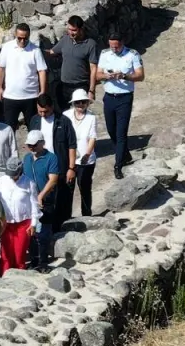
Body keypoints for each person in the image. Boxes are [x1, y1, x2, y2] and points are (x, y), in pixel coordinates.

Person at [96, 31, 145, 180]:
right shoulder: (105, 54)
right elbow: (97, 75)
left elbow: (140, 76)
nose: (114, 49)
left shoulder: (132, 55)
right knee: (111, 130)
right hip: (109, 97)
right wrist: (107, 76)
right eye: (111, 46)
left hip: (124, 98)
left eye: (116, 47)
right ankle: (125, 154)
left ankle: (118, 165)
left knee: (121, 133)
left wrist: (124, 76)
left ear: (122, 43)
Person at [30, 93, 76, 230]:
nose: (43, 114)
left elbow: (72, 145)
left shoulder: (63, 121)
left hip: (61, 167)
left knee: (63, 201)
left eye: (46, 111)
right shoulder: (34, 121)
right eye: (40, 111)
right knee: (43, 200)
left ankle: (64, 228)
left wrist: (71, 168)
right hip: (42, 167)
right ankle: (45, 231)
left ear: (52, 107)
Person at [0, 23, 48, 130]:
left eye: (25, 38)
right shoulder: (7, 47)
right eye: (20, 38)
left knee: (34, 129)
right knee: (9, 129)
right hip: (10, 96)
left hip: (31, 97)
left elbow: (42, 71)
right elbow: (0, 67)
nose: (22, 41)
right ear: (15, 35)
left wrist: (42, 91)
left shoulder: (35, 50)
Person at [22, 131, 60, 270]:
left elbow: (53, 179)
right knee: (32, 233)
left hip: (45, 202)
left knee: (43, 232)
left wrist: (41, 195)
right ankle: (34, 259)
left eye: (34, 145)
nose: (31, 148)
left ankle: (43, 261)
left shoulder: (51, 158)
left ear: (42, 143)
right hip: (30, 202)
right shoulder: (27, 159)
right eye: (29, 145)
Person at [44, 14, 100, 110]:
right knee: (64, 115)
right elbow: (52, 52)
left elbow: (93, 69)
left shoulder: (91, 44)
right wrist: (36, 51)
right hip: (64, 85)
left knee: (80, 114)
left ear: (81, 29)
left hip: (81, 86)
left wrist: (91, 90)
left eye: (74, 30)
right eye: (69, 29)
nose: (71, 32)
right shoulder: (65, 39)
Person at [0, 156, 38, 274]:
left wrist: (34, 224)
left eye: (14, 174)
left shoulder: (29, 183)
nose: (12, 177)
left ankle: (20, 280)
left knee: (19, 255)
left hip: (23, 224)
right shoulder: (1, 181)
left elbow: (34, 204)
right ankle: (5, 281)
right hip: (6, 224)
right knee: (6, 255)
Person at [67, 89, 98, 217]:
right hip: (70, 159)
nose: (80, 105)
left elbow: (92, 138)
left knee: (84, 188)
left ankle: (86, 215)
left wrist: (87, 154)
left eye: (83, 102)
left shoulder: (91, 118)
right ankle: (66, 216)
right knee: (68, 189)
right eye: (77, 103)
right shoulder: (66, 116)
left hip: (86, 160)